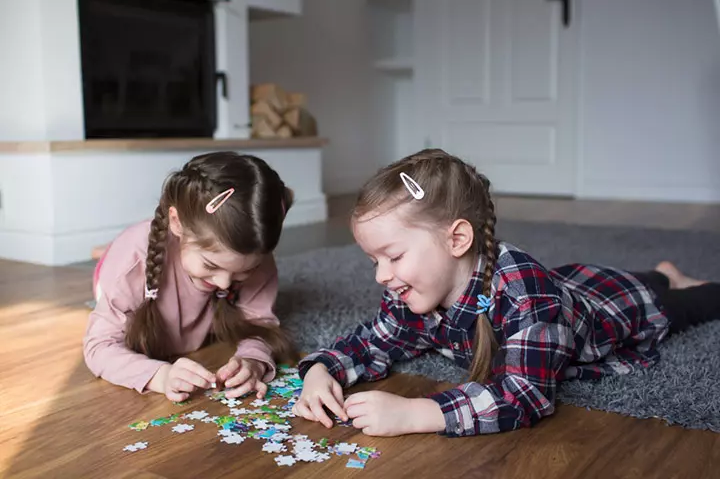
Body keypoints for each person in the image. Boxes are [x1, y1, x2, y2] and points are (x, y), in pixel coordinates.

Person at [293, 148, 720, 437]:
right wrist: (320, 370)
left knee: (689, 302)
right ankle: (662, 271)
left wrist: (417, 413)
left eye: (393, 256)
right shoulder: (412, 290)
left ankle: (666, 280)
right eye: (374, 262)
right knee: (608, 277)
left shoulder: (526, 297)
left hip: (616, 309)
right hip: (567, 283)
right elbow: (374, 340)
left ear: (457, 239)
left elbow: (525, 393)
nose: (381, 276)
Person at [84, 152, 296, 403]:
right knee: (116, 267)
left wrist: (253, 360)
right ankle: (107, 252)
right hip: (126, 265)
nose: (225, 283)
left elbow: (260, 323)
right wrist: (160, 376)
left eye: (244, 271)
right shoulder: (133, 266)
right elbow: (98, 347)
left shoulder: (253, 254)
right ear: (176, 223)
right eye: (210, 264)